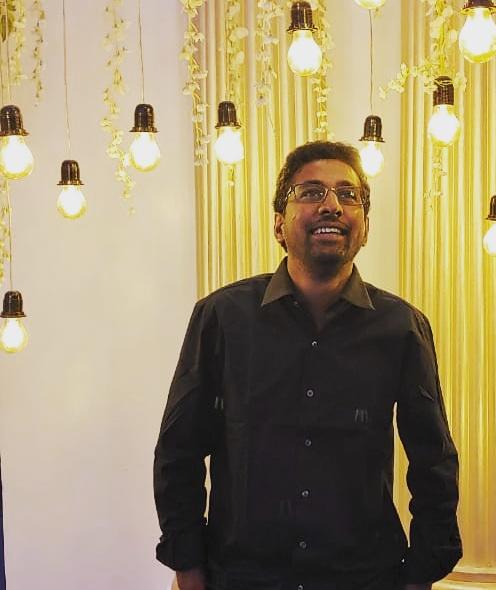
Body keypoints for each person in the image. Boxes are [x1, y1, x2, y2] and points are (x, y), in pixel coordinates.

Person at [154, 141, 462, 590]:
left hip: (363, 577)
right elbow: (178, 452)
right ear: (279, 224)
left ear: (365, 227)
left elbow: (434, 461)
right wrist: (188, 567)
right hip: (244, 576)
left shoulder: (401, 328)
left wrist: (421, 575)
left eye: (349, 195)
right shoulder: (222, 318)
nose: (332, 205)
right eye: (311, 192)